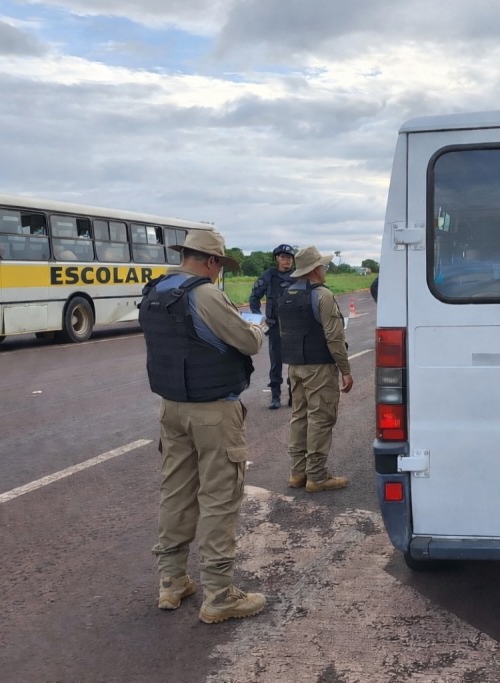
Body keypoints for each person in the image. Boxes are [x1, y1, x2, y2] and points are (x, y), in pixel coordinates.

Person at [138, 229, 267, 624]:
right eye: (219, 265)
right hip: (212, 410)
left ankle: (172, 582)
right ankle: (219, 594)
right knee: (219, 497)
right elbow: (247, 342)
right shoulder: (206, 293)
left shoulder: (157, 290)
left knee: (175, 492)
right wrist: (257, 327)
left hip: (171, 407)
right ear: (211, 262)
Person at [277, 245, 353, 492]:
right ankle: (317, 476)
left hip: (295, 366)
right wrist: (345, 369)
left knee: (299, 416)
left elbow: (283, 333)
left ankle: (297, 473)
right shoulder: (322, 295)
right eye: (323, 265)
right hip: (319, 366)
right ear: (315, 270)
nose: (325, 269)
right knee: (321, 418)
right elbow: (334, 337)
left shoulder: (286, 294)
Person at [249, 244, 296, 409]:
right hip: (274, 325)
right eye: (283, 257)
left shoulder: (297, 276)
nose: (286, 260)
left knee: (294, 361)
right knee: (276, 361)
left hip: (293, 326)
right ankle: (275, 396)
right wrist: (258, 318)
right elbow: (254, 297)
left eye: (289, 258)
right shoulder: (269, 275)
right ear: (277, 258)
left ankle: (293, 396)